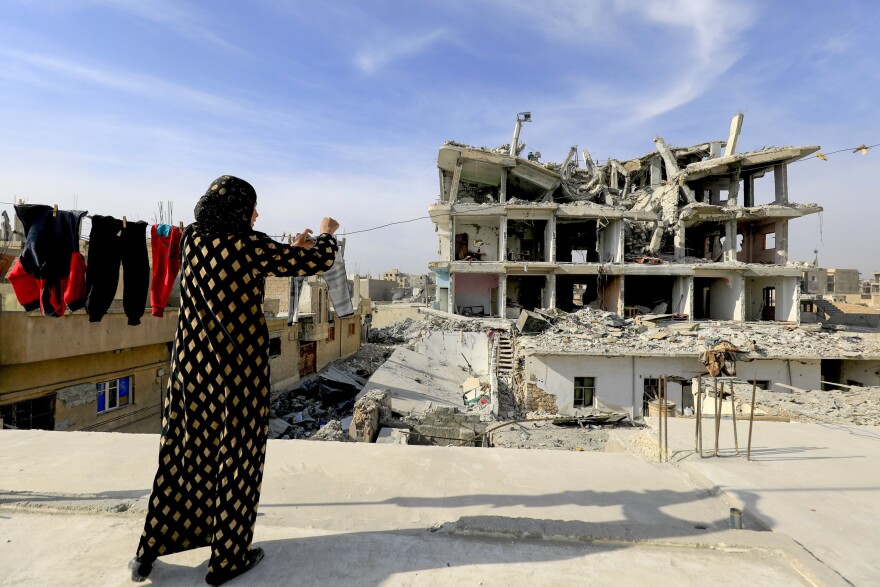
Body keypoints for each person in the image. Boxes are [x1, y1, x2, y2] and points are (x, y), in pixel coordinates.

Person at [130, 176, 339, 585]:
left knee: (181, 456)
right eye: (251, 208)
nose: (256, 215)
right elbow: (317, 264)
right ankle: (228, 558)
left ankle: (147, 553)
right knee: (238, 458)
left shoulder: (192, 241)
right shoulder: (249, 245)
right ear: (237, 210)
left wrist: (292, 247)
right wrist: (327, 235)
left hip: (190, 370)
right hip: (236, 371)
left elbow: (259, 261)